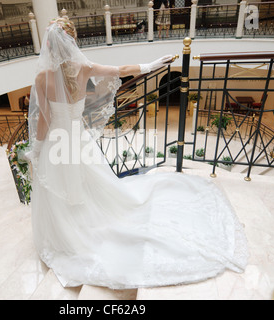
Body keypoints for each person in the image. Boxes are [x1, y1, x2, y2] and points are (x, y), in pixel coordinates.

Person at [21, 16, 248, 289]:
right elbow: (120, 69)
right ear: (73, 42)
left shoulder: (42, 77)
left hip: (57, 144)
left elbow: (44, 120)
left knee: (60, 189)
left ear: (48, 46)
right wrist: (151, 65)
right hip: (77, 139)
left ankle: (70, 234)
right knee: (88, 182)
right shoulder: (83, 68)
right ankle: (84, 224)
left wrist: (36, 150)